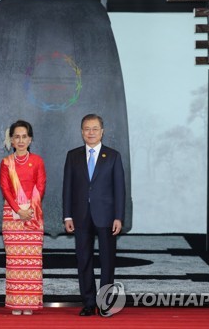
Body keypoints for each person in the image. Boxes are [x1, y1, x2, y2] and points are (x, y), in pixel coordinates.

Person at [62, 113, 125, 316]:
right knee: (84, 260)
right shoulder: (73, 156)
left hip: (106, 216)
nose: (91, 132)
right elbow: (67, 188)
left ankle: (105, 301)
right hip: (80, 216)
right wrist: (67, 216)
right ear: (81, 132)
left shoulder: (113, 156)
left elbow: (120, 189)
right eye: (87, 129)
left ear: (102, 131)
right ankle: (89, 302)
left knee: (107, 261)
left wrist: (119, 216)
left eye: (95, 128)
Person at [0, 120, 46, 315]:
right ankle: (16, 302)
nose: (20, 140)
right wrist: (18, 210)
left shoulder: (37, 161)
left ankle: (30, 303)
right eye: (16, 136)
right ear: (11, 139)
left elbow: (41, 185)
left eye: (24, 136)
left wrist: (29, 210)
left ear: (30, 139)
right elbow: (5, 188)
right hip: (12, 215)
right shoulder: (6, 163)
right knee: (15, 260)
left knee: (31, 261)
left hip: (33, 214)